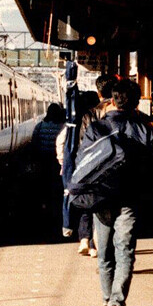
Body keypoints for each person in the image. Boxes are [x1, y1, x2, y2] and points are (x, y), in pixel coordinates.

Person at [76, 80, 153, 306]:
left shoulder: (96, 128)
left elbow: (82, 161)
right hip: (131, 198)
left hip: (101, 198)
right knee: (125, 250)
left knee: (104, 251)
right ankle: (117, 301)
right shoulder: (146, 130)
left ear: (112, 100)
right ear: (136, 104)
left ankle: (108, 298)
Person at [56, 90, 100, 254]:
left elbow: (61, 143)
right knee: (95, 205)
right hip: (95, 167)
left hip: (77, 167)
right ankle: (95, 245)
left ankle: (84, 240)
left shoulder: (72, 124)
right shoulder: (97, 121)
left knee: (84, 204)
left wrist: (64, 163)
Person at [32, 103, 65, 233]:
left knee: (44, 189)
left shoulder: (39, 126)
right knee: (58, 189)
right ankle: (57, 214)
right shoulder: (62, 127)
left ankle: (45, 213)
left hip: (44, 162)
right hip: (58, 163)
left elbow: (34, 143)